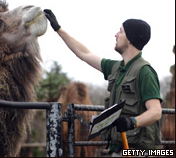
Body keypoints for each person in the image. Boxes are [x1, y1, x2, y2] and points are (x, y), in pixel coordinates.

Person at [44, 9, 163, 156]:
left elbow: (156, 111)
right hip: (117, 149)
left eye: (121, 31)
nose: (116, 35)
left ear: (130, 39)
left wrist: (132, 122)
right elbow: (84, 54)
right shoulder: (116, 68)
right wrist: (58, 29)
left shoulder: (145, 71)